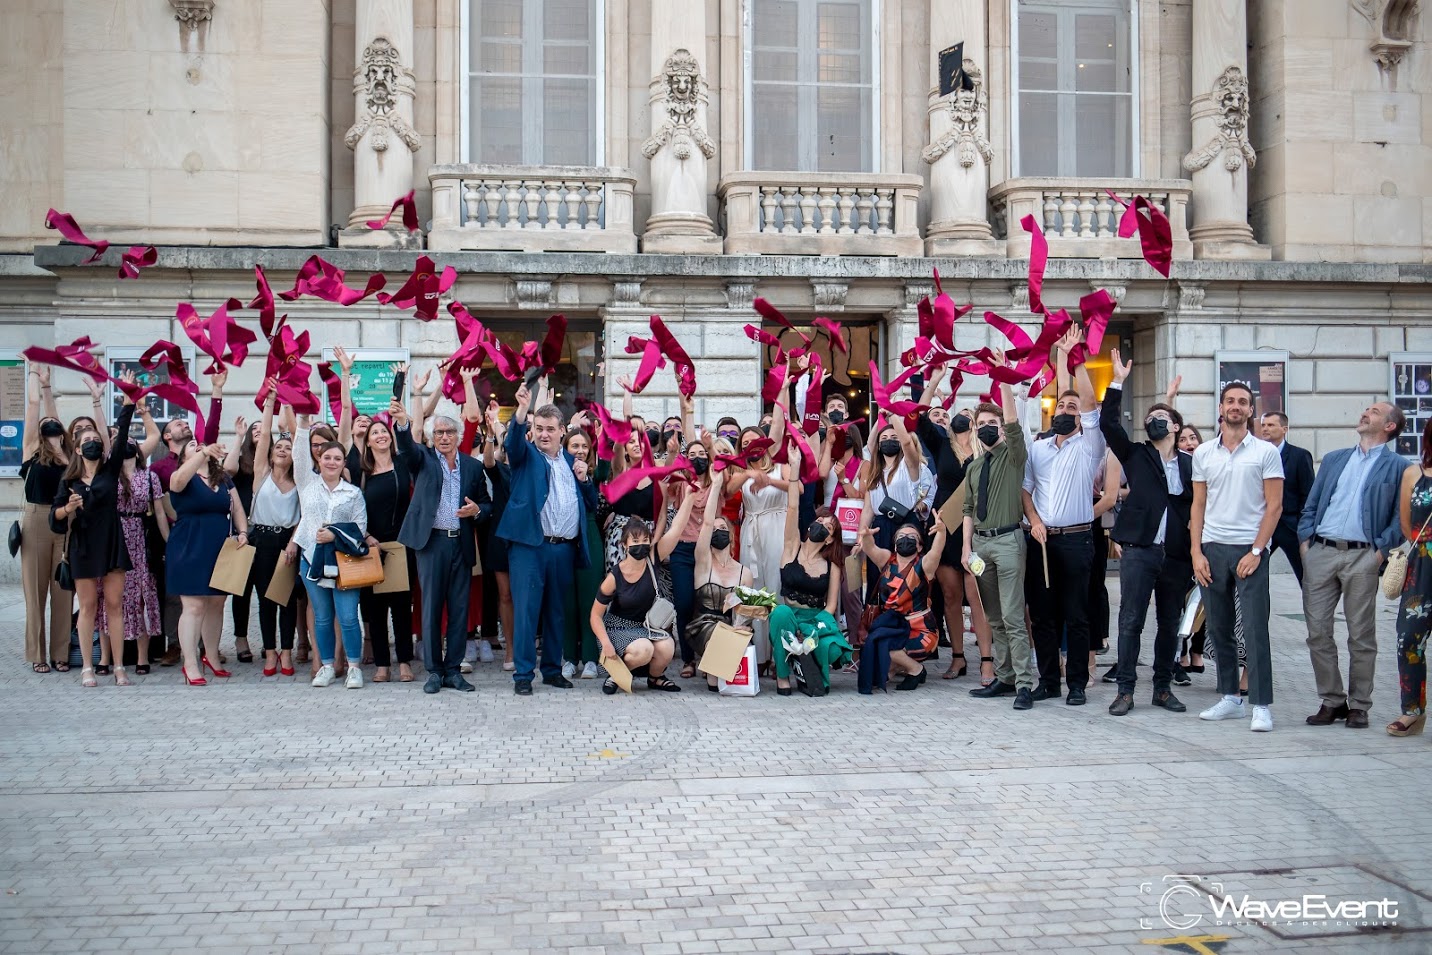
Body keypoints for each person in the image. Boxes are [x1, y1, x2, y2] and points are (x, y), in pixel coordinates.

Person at [1298, 401, 1407, 729]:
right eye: (1367, 409)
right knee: (1317, 631)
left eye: (1374, 412)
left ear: (1389, 426)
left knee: (1361, 634)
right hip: (1321, 551)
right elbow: (1312, 503)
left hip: (1363, 555)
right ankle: (1332, 700)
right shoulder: (1334, 459)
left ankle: (1359, 704)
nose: (1365, 413)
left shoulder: (1399, 466)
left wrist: (1380, 551)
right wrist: (1306, 543)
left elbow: (1402, 517)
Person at [1101, 351, 1194, 717]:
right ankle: (1125, 690)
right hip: (1139, 549)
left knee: (1170, 622)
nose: (1154, 422)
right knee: (1131, 620)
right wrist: (1117, 380)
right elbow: (1109, 423)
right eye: (1149, 418)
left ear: (1175, 427)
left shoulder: (1191, 462)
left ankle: (1163, 687)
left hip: (1176, 554)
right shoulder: (1136, 454)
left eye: (1162, 418)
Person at [1191, 382, 1284, 732]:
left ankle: (1261, 704)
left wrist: (1258, 550)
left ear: (1250, 411)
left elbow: (1274, 507)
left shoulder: (1265, 452)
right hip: (1212, 547)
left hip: (1250, 549)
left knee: (1256, 629)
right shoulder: (1203, 454)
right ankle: (1230, 697)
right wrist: (1196, 551)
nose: (1236, 406)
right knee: (1218, 627)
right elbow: (1198, 505)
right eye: (1230, 401)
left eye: (1242, 402)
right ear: (1220, 408)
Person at [1021, 327, 1104, 706]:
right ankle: (1049, 681)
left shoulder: (1088, 445)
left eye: (1072, 409)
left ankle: (1076, 686)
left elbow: (1087, 399)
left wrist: (1074, 359)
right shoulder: (1038, 449)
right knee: (1041, 616)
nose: (1066, 411)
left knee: (1076, 614)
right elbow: (1026, 491)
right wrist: (1034, 519)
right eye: (1061, 407)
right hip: (1041, 540)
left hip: (1076, 539)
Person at [496, 382, 596, 696]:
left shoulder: (570, 463)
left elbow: (591, 503)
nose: (543, 434)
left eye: (550, 429)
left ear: (562, 431)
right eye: (538, 429)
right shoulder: (526, 455)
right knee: (527, 611)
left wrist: (585, 480)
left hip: (563, 548)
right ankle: (524, 675)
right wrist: (522, 411)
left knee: (556, 611)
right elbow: (512, 444)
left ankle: (552, 670)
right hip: (530, 548)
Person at [394, 399, 490, 694]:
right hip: (431, 543)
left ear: (459, 436)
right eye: (439, 433)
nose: (444, 437)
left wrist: (477, 510)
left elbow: (487, 504)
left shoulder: (473, 467)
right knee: (432, 607)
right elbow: (407, 449)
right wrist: (402, 425)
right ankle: (434, 671)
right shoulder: (422, 459)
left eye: (449, 432)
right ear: (432, 437)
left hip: (460, 543)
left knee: (460, 610)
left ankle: (453, 670)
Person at [963, 354, 1036, 709]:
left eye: (993, 422)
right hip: (980, 546)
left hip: (1008, 541)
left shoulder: (1013, 455)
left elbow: (1012, 424)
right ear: (975, 429)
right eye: (982, 423)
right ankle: (1005, 678)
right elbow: (966, 509)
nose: (989, 427)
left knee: (1012, 614)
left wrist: (1004, 381)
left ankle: (1024, 684)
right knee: (993, 617)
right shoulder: (975, 466)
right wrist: (966, 549)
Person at [50, 399, 138, 686]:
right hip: (84, 545)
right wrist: (69, 508)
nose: (92, 443)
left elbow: (122, 433)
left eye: (96, 439)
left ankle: (119, 666)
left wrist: (128, 404)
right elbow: (55, 519)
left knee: (115, 605)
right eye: (86, 440)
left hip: (111, 540)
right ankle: (87, 666)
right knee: (87, 606)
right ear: (77, 448)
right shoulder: (69, 480)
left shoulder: (110, 471)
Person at [916, 369, 992, 683]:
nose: (960, 417)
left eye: (966, 414)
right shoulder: (942, 443)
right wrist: (933, 382)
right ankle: (958, 658)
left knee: (976, 594)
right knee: (949, 595)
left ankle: (986, 660)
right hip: (945, 525)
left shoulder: (985, 450)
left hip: (975, 525)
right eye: (956, 414)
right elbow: (919, 417)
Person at [284, 435, 367, 689]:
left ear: (344, 464)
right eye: (327, 457)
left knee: (348, 616)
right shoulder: (307, 484)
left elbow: (360, 528)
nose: (331, 462)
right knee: (321, 616)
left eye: (337, 459)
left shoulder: (353, 493)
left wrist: (334, 534)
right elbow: (298, 455)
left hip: (344, 562)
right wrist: (303, 421)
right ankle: (327, 665)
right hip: (312, 560)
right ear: (319, 460)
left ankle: (353, 667)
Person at [168, 430, 249, 687]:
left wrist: (243, 531)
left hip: (218, 546)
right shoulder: (181, 476)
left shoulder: (222, 478)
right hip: (189, 544)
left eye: (202, 445)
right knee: (194, 606)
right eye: (192, 445)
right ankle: (189, 662)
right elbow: (177, 483)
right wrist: (202, 452)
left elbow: (236, 507)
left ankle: (211, 656)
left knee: (216, 602)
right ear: (183, 457)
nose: (200, 446)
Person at [769, 447, 852, 695]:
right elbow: (793, 508)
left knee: (831, 651)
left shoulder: (833, 564)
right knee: (781, 612)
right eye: (819, 521)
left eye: (827, 527)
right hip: (789, 616)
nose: (821, 526)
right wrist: (794, 470)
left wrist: (813, 629)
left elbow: (831, 606)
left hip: (816, 619)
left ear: (829, 539)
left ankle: (810, 669)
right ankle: (782, 677)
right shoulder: (791, 547)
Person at [855, 516, 947, 693]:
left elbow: (936, 552)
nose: (906, 540)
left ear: (919, 546)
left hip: (920, 628)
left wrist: (941, 532)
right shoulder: (887, 560)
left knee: (887, 649)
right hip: (891, 624)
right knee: (877, 651)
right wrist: (866, 536)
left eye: (911, 538)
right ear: (895, 545)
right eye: (901, 537)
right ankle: (895, 668)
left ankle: (916, 670)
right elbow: (870, 548)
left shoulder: (924, 565)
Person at [20, 365, 73, 673]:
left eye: (55, 423)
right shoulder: (32, 450)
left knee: (63, 589)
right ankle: (38, 654)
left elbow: (52, 415)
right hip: (37, 517)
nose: (50, 423)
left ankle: (61, 653)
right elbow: (34, 409)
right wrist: (34, 379)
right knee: (35, 590)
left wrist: (49, 387)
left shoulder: (68, 453)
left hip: (66, 520)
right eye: (45, 424)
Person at [590, 519, 682, 695]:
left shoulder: (652, 559)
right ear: (625, 545)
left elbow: (676, 530)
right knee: (644, 649)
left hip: (645, 627)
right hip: (617, 627)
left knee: (667, 646)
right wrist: (605, 643)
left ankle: (655, 678)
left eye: (645, 540)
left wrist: (690, 497)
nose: (641, 545)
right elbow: (595, 615)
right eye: (635, 541)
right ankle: (616, 675)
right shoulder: (615, 576)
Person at [683, 474, 756, 692]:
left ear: (732, 537)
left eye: (723, 528)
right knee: (717, 638)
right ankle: (713, 666)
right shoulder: (703, 563)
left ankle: (716, 669)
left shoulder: (745, 572)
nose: (717, 532)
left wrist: (741, 627)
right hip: (703, 625)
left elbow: (746, 611)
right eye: (714, 530)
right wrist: (715, 486)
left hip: (731, 626)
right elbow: (706, 521)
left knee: (737, 633)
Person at [247, 386, 301, 678]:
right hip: (261, 539)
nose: (282, 449)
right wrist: (270, 402)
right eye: (279, 447)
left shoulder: (299, 481)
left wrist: (293, 543)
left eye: (288, 447)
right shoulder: (261, 474)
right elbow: (265, 434)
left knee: (287, 599)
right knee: (266, 599)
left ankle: (288, 651)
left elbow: (301, 518)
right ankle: (270, 652)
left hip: (287, 541)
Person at [107, 436, 168, 674]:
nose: (128, 445)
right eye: (124, 442)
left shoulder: (150, 477)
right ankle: (111, 657)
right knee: (114, 598)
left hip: (141, 538)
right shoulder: (110, 476)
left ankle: (143, 656)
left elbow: (161, 513)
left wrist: (168, 541)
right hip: (116, 537)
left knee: (142, 597)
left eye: (133, 442)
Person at [1391, 424, 1432, 737]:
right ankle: (1413, 712)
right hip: (1422, 568)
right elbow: (1407, 525)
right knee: (1408, 638)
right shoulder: (1413, 473)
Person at [562, 425, 602, 680]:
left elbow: (594, 504)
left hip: (589, 535)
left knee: (590, 601)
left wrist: (584, 479)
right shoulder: (555, 470)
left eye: (584, 446)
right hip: (564, 537)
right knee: (566, 602)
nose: (579, 450)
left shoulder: (595, 473)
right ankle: (569, 658)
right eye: (574, 445)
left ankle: (590, 659)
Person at [223, 416, 261, 663]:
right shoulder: (241, 462)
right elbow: (227, 470)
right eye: (254, 429)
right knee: (242, 591)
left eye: (263, 428)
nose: (259, 431)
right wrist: (238, 436)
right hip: (243, 531)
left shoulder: (274, 460)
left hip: (270, 532)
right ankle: (240, 639)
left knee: (271, 590)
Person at [1259, 411, 1314, 583]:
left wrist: (1303, 525)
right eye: (1263, 425)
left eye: (1271, 425)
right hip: (1263, 523)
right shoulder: (1257, 455)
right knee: (1254, 570)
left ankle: (1313, 609)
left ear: (1284, 429)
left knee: (1306, 574)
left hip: (1291, 525)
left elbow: (1308, 493)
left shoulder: (1299, 456)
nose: (1265, 429)